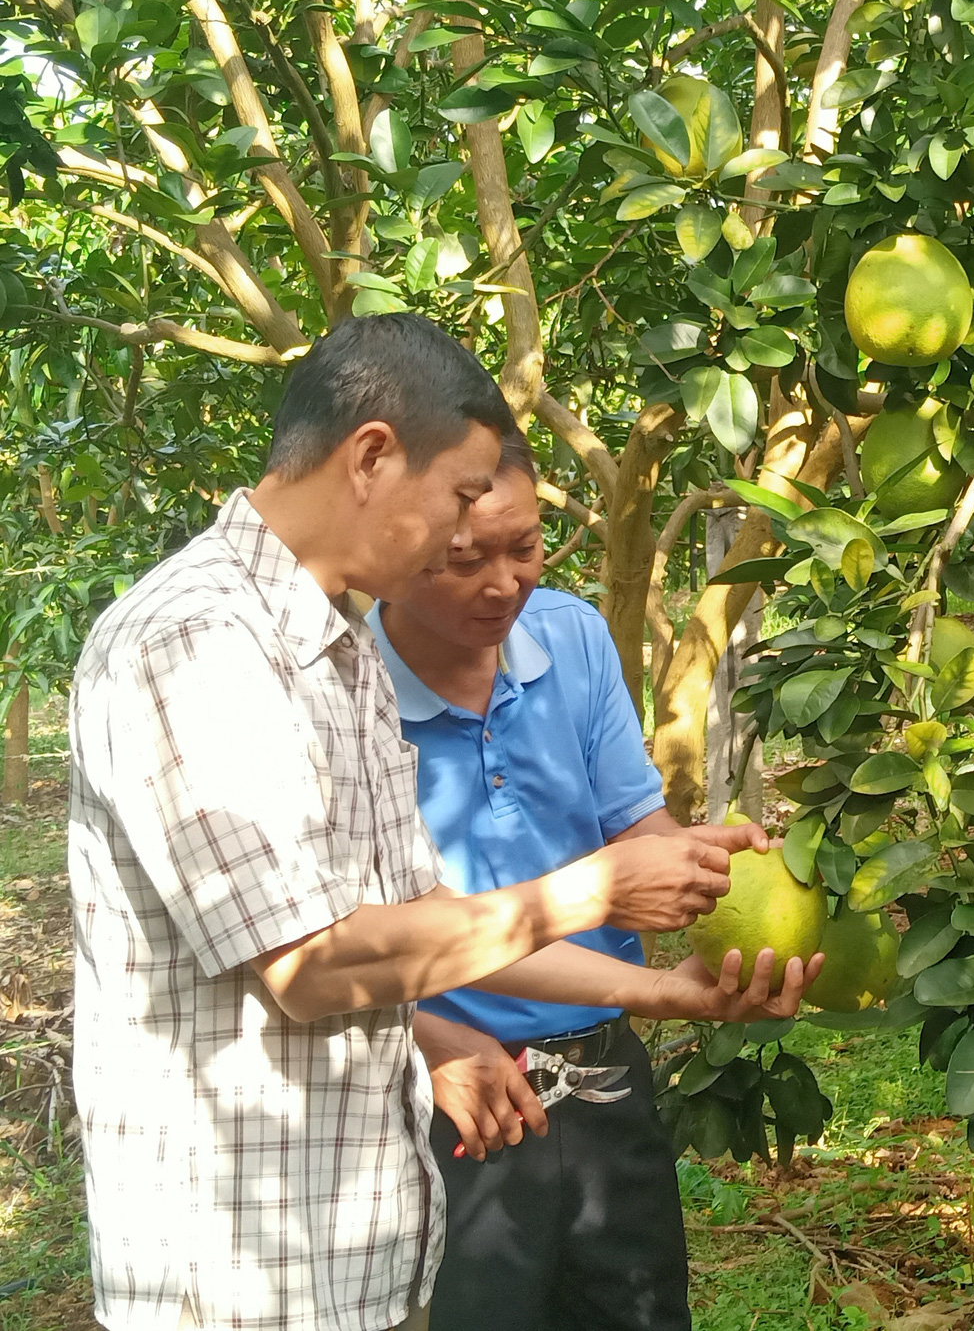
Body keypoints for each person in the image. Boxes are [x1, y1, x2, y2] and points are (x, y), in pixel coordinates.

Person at [67, 314, 773, 1331]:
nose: (463, 540)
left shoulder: (332, 648)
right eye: (453, 501)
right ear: (370, 458)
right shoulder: (198, 642)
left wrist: (659, 991)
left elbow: (431, 926)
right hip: (236, 1269)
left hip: (353, 1246)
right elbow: (311, 963)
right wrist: (595, 888)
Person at [364, 428, 819, 1331]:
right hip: (461, 1092)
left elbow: (633, 825)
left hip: (606, 1070)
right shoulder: (347, 690)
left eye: (524, 548)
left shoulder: (570, 639)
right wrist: (425, 1037)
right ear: (398, 547)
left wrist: (701, 865)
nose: (504, 583)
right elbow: (342, 938)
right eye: (466, 559)